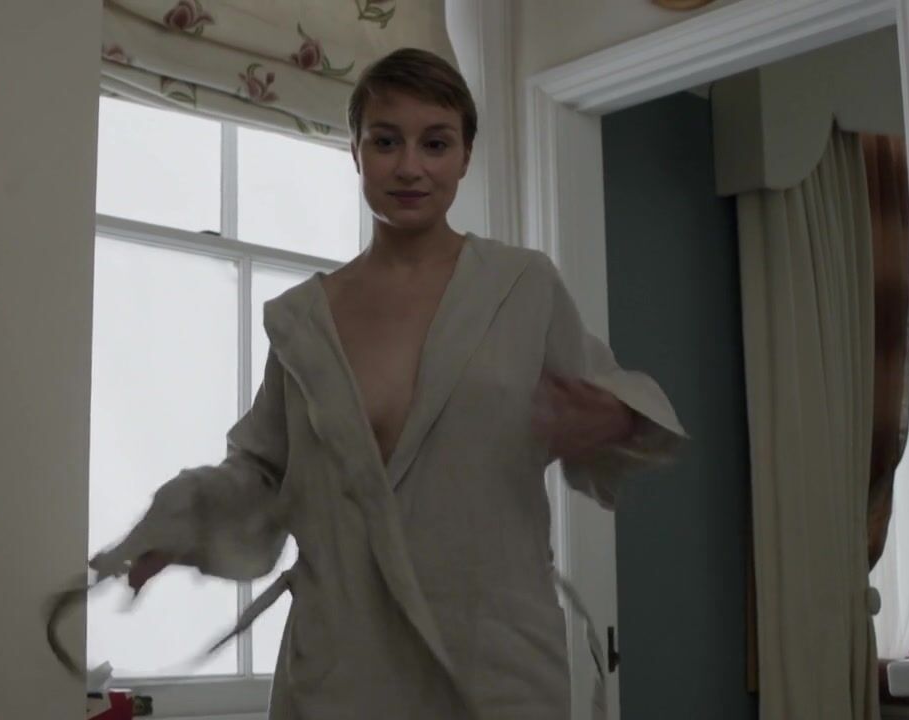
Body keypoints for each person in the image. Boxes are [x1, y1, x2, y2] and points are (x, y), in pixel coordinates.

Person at [88, 48, 686, 719]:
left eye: (436, 143)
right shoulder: (302, 321)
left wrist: (612, 420)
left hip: (493, 660)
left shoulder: (523, 286)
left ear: (465, 156)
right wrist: (182, 523)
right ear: (355, 151)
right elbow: (260, 470)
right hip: (342, 661)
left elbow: (621, 408)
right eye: (385, 141)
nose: (409, 167)